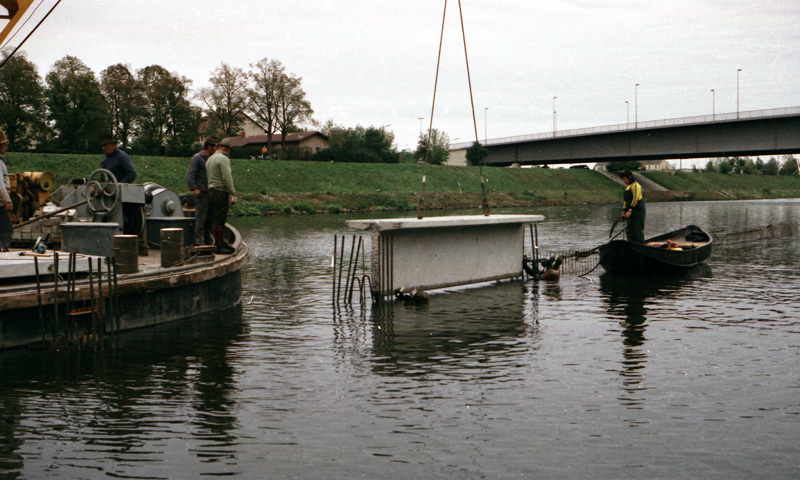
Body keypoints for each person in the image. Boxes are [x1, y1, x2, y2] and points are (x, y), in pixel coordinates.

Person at [206, 138, 238, 254]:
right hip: (220, 191)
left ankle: (219, 242)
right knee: (220, 219)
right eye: (229, 150)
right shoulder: (223, 159)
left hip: (211, 191)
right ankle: (219, 245)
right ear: (226, 149)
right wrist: (233, 193)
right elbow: (226, 178)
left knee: (215, 218)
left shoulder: (210, 159)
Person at [186, 136, 218, 246]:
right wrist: (194, 188)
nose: (215, 149)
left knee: (210, 218)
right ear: (210, 146)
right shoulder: (197, 158)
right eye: (214, 146)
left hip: (211, 192)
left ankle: (208, 240)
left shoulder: (212, 159)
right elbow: (190, 175)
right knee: (201, 218)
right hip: (202, 192)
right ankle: (199, 242)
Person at [620, 169, 645, 243]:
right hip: (629, 211)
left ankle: (640, 245)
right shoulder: (627, 187)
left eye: (625, 179)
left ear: (629, 177)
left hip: (637, 210)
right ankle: (631, 245)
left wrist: (630, 210)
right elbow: (625, 200)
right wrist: (623, 211)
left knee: (637, 230)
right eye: (623, 179)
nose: (624, 181)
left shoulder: (636, 185)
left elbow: (635, 198)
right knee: (629, 230)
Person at [0, 131, 12, 251]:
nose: (5, 148)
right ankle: (3, 253)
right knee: (6, 229)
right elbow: (0, 185)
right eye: (3, 145)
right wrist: (7, 200)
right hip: (0, 203)